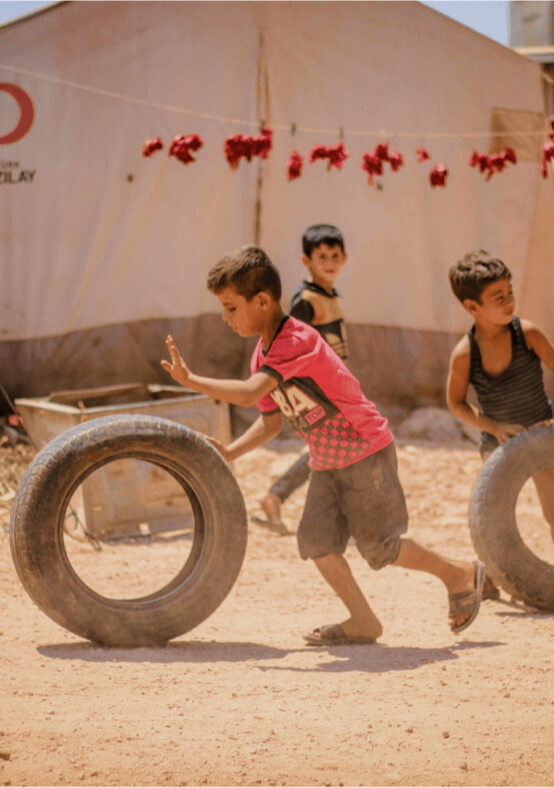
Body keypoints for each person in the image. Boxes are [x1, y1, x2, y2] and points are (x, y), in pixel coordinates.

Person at [162, 245, 486, 644]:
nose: (225, 318)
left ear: (261, 301)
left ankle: (459, 574)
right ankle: (363, 621)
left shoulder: (295, 340)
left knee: (379, 547)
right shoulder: (261, 356)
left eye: (231, 308)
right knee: (316, 542)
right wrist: (231, 452)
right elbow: (270, 422)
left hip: (365, 450)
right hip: (327, 462)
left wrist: (192, 381)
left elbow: (248, 395)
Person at [444, 251, 554, 579]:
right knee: (494, 517)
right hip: (498, 443)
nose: (509, 302)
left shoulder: (528, 334)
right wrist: (493, 426)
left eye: (510, 293)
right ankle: (492, 578)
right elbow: (456, 403)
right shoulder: (465, 354)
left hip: (540, 433)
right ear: (472, 307)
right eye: (498, 297)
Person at [257, 223, 350, 534]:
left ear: (345, 258)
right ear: (306, 261)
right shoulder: (306, 300)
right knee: (330, 447)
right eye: (322, 257)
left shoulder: (330, 295)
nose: (329, 263)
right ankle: (280, 498)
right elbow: (290, 344)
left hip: (333, 386)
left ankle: (277, 497)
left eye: (335, 256)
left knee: (329, 448)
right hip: (316, 388)